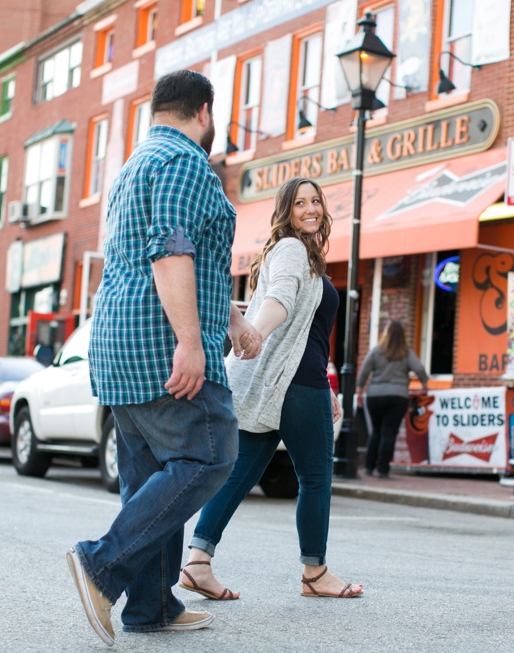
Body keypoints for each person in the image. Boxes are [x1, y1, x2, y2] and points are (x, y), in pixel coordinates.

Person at [65, 69, 262, 647]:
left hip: (117, 345)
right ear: (204, 111)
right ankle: (101, 565)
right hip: (159, 344)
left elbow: (181, 257)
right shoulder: (184, 162)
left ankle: (150, 604)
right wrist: (191, 341)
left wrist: (230, 317)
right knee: (209, 455)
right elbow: (171, 251)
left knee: (154, 474)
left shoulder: (132, 167)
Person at [179, 177, 364, 602]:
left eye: (315, 201)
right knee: (315, 478)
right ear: (287, 210)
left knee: (240, 475)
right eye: (300, 203)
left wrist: (328, 385)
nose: (310, 209)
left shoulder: (299, 254)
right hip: (296, 386)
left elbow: (308, 334)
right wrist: (256, 333)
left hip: (283, 383)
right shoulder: (293, 249)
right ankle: (315, 573)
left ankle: (197, 562)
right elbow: (277, 300)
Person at [357, 320, 429, 479]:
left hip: (375, 396)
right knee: (389, 432)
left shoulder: (376, 351)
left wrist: (360, 390)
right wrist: (424, 384)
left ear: (386, 334)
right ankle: (383, 469)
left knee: (376, 431)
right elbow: (419, 369)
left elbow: (364, 371)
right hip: (398, 397)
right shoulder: (406, 352)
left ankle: (368, 467)